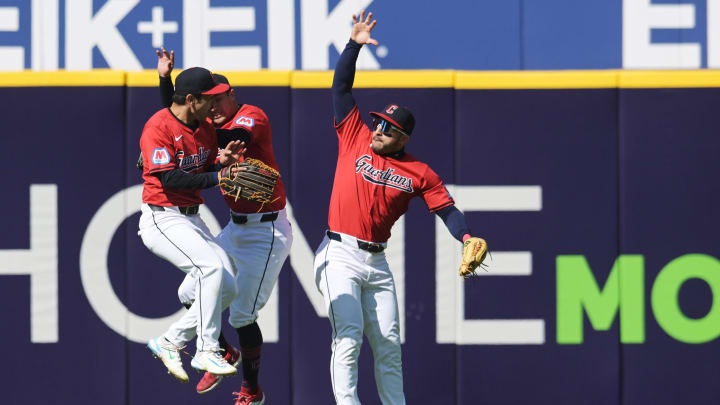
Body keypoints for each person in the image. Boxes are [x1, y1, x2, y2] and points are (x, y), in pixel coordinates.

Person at [312, 11, 488, 405]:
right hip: (338, 252)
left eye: (387, 128)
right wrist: (353, 45)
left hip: (376, 263)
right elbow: (341, 88)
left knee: (390, 344)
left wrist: (466, 235)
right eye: (378, 122)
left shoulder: (419, 172)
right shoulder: (354, 135)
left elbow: (446, 209)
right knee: (349, 334)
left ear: (402, 137)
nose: (378, 129)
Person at [155, 49, 293, 405]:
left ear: (232, 94)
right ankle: (222, 351)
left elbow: (237, 140)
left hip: (267, 232)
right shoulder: (206, 125)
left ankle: (251, 389)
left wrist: (204, 133)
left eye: (220, 98)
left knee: (243, 313)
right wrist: (165, 82)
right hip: (236, 227)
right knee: (191, 292)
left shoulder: (251, 116)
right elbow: (174, 121)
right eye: (207, 101)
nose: (214, 106)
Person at [139, 66, 244, 383]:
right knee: (211, 268)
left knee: (228, 284)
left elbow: (202, 163)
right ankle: (207, 349)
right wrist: (218, 176)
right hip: (162, 217)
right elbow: (169, 176)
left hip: (191, 217)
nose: (215, 104)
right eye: (208, 99)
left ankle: (170, 340)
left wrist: (219, 164)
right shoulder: (157, 127)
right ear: (190, 99)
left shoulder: (204, 126)